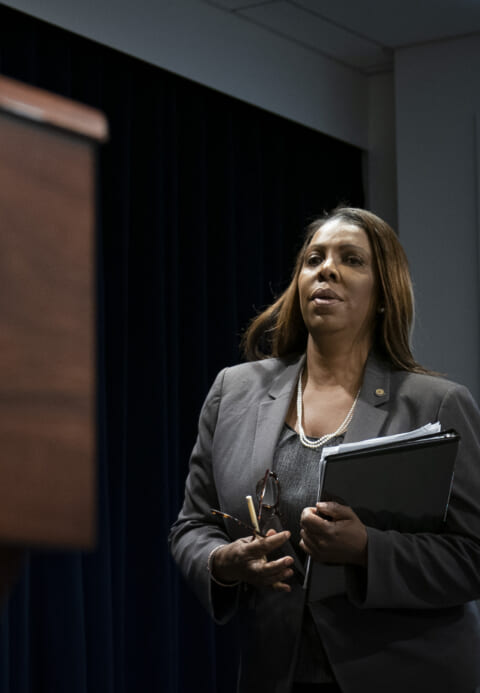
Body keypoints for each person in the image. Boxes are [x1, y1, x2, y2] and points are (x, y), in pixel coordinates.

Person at [168, 207, 480, 693]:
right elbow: (192, 526)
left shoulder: (437, 405)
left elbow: (472, 554)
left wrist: (369, 551)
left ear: (382, 295)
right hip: (275, 674)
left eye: (351, 259)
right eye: (314, 258)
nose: (326, 269)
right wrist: (223, 562)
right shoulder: (234, 391)